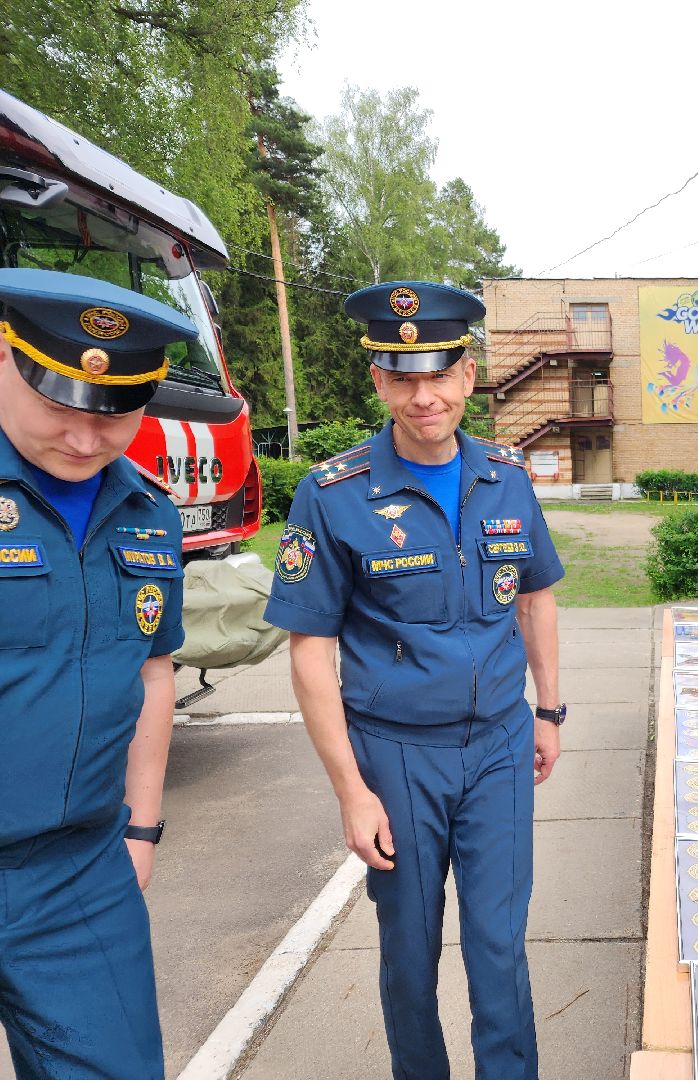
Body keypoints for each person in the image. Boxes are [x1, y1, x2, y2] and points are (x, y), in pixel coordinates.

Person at [264, 281, 565, 1079]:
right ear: (379, 381)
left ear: (468, 375)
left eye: (439, 376)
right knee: (409, 952)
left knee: (499, 946)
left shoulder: (507, 476)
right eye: (402, 378)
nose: (423, 397)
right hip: (395, 758)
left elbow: (534, 596)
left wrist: (549, 710)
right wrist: (350, 791)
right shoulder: (332, 494)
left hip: (499, 746)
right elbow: (309, 650)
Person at [0, 268, 193, 1077]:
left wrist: (141, 827)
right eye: (58, 405)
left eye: (112, 414)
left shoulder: (149, 513)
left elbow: (151, 672)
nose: (84, 439)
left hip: (80, 870)